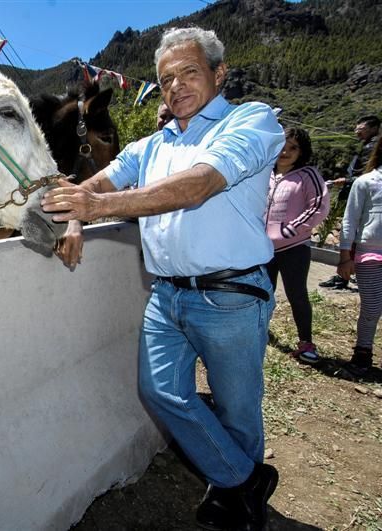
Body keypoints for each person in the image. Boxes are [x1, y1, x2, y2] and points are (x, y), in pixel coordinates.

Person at [41, 27, 284, 530]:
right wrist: (74, 216)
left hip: (232, 295)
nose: (175, 87)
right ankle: (246, 479)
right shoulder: (151, 144)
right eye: (165, 79)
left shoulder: (251, 121)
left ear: (220, 74)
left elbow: (199, 185)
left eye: (189, 73)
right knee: (161, 393)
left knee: (238, 409)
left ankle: (235, 497)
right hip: (167, 295)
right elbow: (94, 183)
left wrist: (97, 206)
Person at [265, 127, 330, 364]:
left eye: (293, 147)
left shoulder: (308, 174)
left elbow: (318, 207)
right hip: (263, 249)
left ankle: (306, 343)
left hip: (294, 247)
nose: (285, 151)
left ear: (301, 152)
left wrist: (289, 230)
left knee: (297, 295)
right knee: (263, 293)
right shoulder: (265, 173)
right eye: (282, 145)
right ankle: (258, 332)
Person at [337, 137, 382, 377]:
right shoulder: (367, 182)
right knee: (373, 307)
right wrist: (345, 256)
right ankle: (363, 351)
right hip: (371, 254)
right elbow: (350, 219)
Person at [320, 115, 380, 289]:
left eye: (360, 127)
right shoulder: (369, 144)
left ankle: (347, 272)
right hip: (363, 191)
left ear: (373, 127)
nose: (356, 130)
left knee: (353, 231)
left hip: (363, 195)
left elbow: (366, 174)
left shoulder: (372, 146)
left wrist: (347, 181)